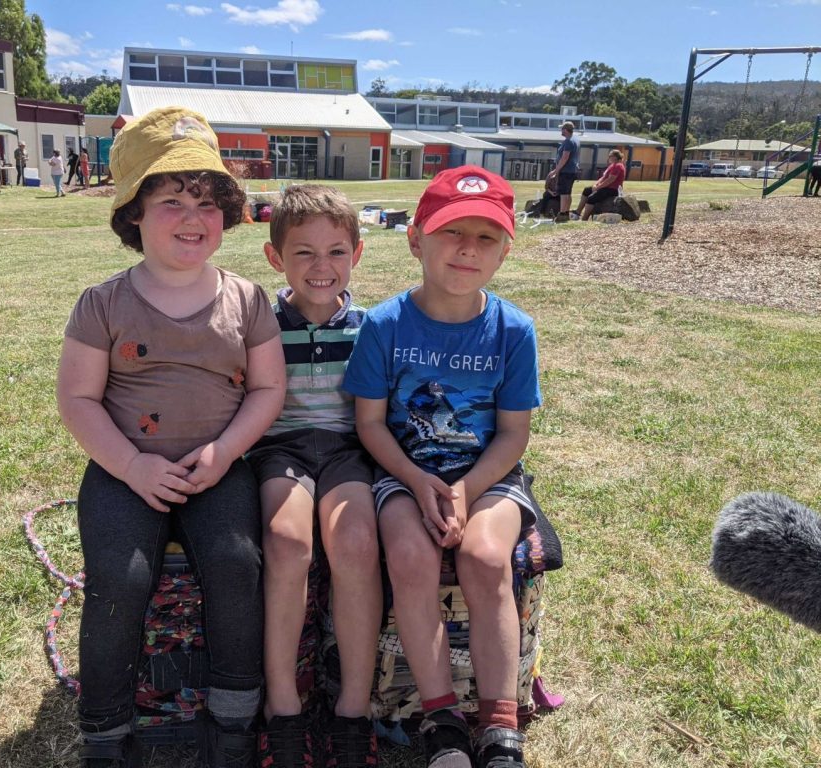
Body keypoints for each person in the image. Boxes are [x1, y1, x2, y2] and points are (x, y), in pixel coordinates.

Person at [56, 106, 286, 768]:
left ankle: (233, 724)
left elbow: (268, 389)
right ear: (132, 212)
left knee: (237, 567)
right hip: (125, 472)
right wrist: (130, 466)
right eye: (172, 200)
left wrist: (226, 452)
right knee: (119, 579)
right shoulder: (102, 303)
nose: (194, 217)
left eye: (210, 202)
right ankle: (106, 733)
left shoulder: (246, 299)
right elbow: (77, 398)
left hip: (219, 468)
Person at [344, 166, 542, 768]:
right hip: (405, 471)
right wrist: (417, 480)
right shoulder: (384, 325)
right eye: (453, 232)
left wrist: (464, 489)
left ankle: (500, 722)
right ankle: (441, 719)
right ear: (415, 238)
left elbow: (512, 436)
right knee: (409, 556)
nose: (468, 249)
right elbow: (370, 423)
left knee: (485, 558)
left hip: (489, 477)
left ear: (505, 251)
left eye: (487, 238)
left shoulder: (513, 329)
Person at [246, 185, 381, 768]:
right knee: (286, 540)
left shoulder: (374, 328)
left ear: (356, 253)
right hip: (282, 450)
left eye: (335, 252)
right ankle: (283, 706)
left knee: (354, 542)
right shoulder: (259, 325)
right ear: (276, 258)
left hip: (350, 450)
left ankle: (354, 707)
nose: (321, 268)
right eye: (303, 253)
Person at [575, 148, 626, 220]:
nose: (608, 158)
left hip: (612, 189)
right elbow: (603, 177)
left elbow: (610, 180)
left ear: (615, 157)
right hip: (605, 187)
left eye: (610, 156)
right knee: (587, 190)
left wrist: (598, 187)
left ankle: (584, 218)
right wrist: (596, 185)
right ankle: (578, 212)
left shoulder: (618, 166)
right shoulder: (612, 165)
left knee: (591, 198)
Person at [548, 120, 580, 222]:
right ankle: (566, 212)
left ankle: (562, 214)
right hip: (572, 170)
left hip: (566, 171)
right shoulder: (575, 139)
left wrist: (556, 171)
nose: (561, 131)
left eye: (562, 129)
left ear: (565, 130)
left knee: (563, 193)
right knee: (568, 192)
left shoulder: (568, 141)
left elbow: (565, 157)